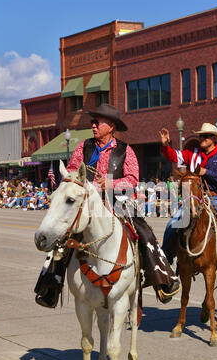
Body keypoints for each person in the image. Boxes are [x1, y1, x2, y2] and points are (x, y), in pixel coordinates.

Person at [35, 103, 180, 308]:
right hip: (85, 203)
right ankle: (50, 285)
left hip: (116, 202)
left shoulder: (125, 150)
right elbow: (71, 172)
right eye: (92, 122)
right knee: (62, 238)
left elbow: (132, 180)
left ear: (110, 126)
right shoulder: (83, 147)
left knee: (144, 232)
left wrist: (110, 183)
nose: (93, 125)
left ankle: (162, 279)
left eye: (97, 122)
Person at [159, 122, 217, 284]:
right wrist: (166, 144)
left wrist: (206, 172)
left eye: (205, 136)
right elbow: (174, 156)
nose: (202, 138)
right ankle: (165, 262)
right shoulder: (193, 154)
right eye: (200, 136)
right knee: (172, 224)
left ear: (214, 139)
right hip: (196, 199)